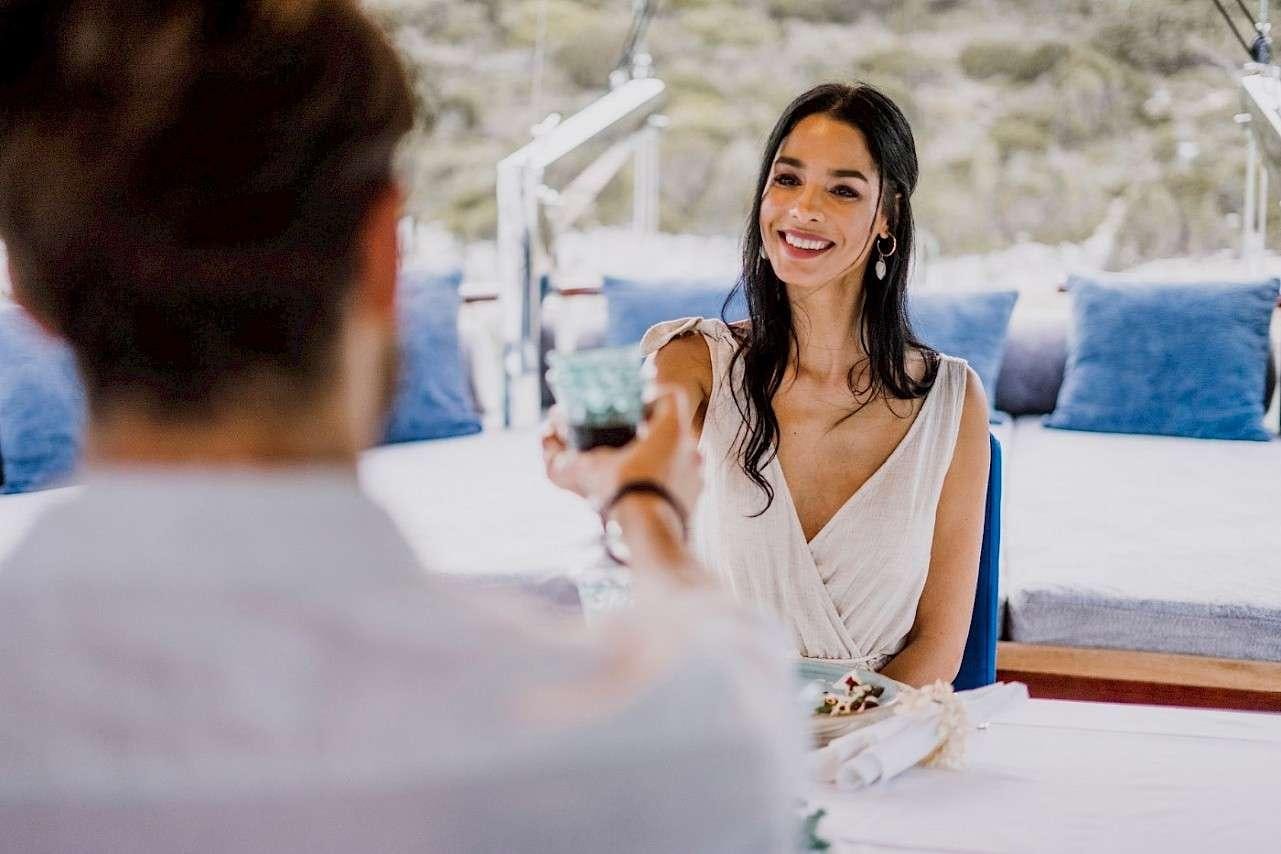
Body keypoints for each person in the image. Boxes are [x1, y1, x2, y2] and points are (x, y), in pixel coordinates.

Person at [0, 2, 800, 850]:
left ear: (31, 294)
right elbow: (738, 687)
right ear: (386, 252)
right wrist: (648, 507)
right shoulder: (645, 744)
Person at [643, 83, 991, 687]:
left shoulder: (953, 401)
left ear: (889, 217)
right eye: (787, 180)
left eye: (842, 190)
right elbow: (636, 532)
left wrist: (842, 745)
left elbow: (938, 644)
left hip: (877, 741)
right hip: (722, 724)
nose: (803, 209)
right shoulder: (692, 364)